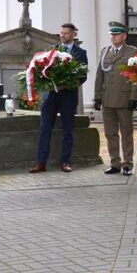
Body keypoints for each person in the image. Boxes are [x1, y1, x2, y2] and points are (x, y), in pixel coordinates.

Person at [31, 23, 89, 173]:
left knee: (67, 130)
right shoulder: (53, 50)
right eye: (61, 33)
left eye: (66, 33)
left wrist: (66, 84)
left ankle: (65, 162)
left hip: (68, 97)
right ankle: (41, 162)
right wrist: (47, 82)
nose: (62, 35)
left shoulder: (80, 53)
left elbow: (82, 76)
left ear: (74, 34)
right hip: (50, 96)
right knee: (44, 129)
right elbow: (43, 71)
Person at [93, 21, 137, 176]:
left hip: (124, 98)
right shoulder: (105, 51)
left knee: (126, 133)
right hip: (107, 99)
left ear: (124, 36)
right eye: (111, 34)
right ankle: (115, 163)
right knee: (110, 133)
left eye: (116, 34)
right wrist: (97, 97)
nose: (113, 37)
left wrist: (134, 97)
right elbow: (99, 75)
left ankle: (127, 164)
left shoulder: (132, 51)